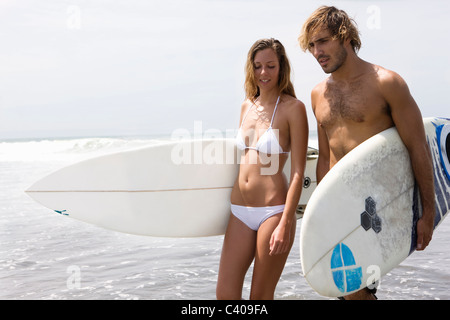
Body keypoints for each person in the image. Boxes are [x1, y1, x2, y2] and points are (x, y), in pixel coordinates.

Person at [298, 6, 436, 300]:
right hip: (339, 205)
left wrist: (427, 210)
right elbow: (325, 159)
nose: (316, 52)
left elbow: (418, 147)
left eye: (322, 41)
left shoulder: (387, 84)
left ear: (344, 36)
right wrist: (322, 213)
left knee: (352, 290)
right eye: (311, 46)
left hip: (377, 208)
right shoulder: (317, 94)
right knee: (345, 289)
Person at [216, 38, 309, 300]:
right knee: (225, 295)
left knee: (260, 297)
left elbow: (298, 173)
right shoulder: (247, 105)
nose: (263, 73)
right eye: (257, 66)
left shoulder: (294, 108)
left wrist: (286, 222)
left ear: (281, 68)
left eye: (270, 66)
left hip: (273, 212)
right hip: (239, 211)